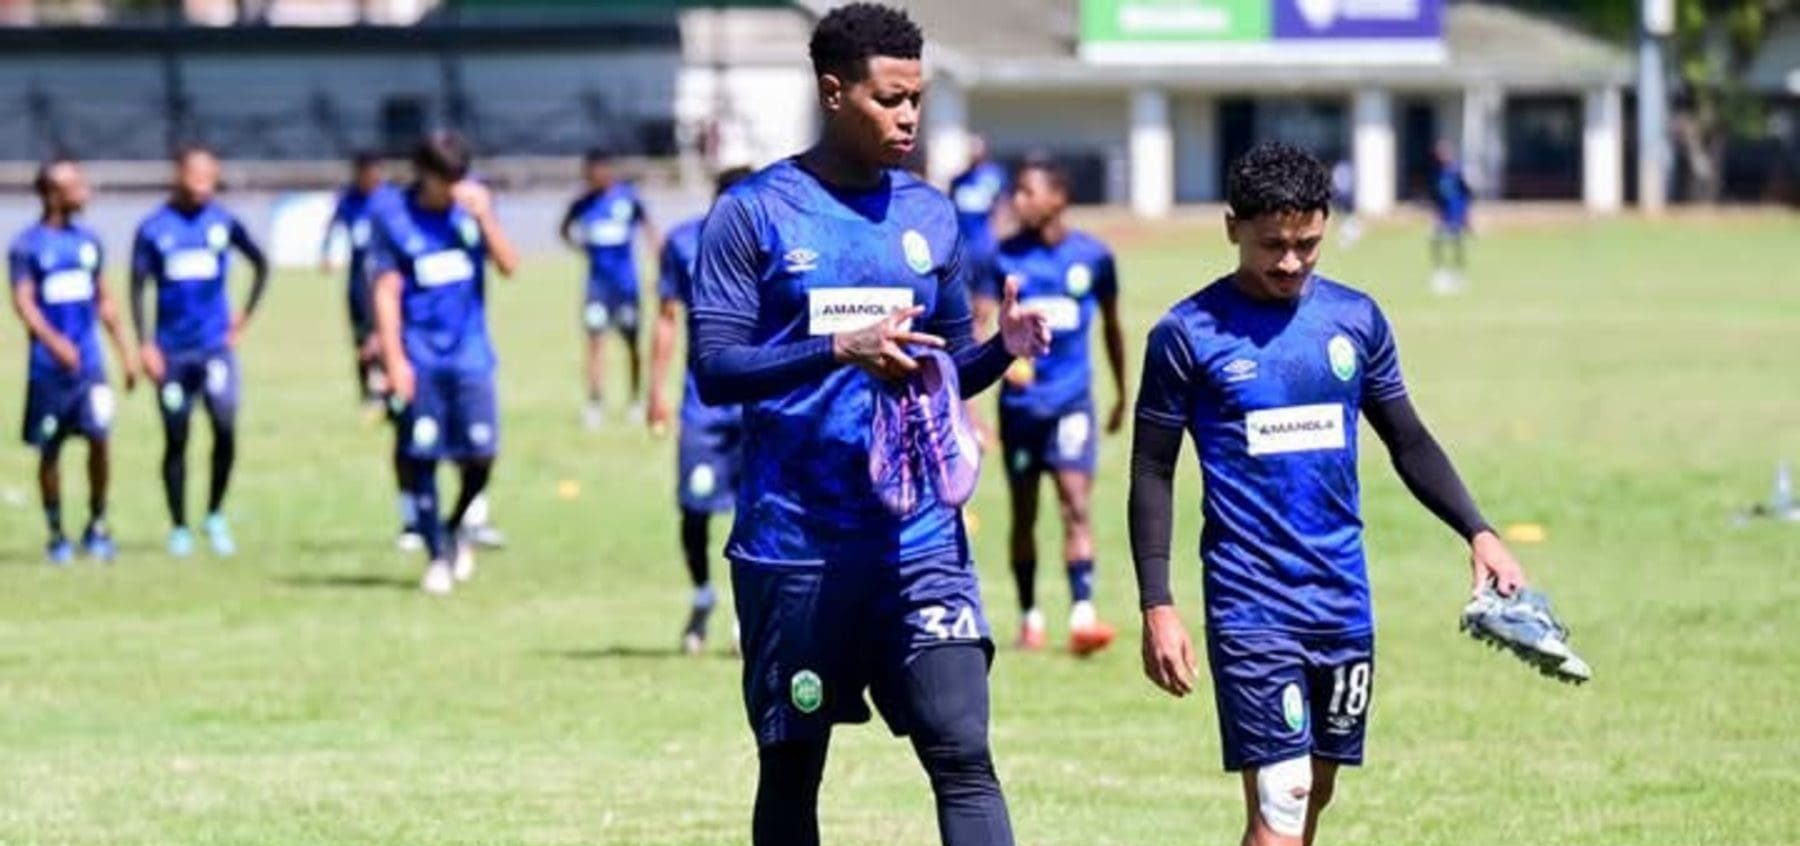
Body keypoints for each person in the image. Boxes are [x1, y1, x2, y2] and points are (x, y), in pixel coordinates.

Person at [689, 5, 1051, 844]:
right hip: (797, 547)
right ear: (833, 91)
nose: (909, 117)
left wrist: (1003, 349)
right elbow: (715, 370)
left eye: (916, 98)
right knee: (792, 766)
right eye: (890, 98)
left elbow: (948, 368)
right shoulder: (755, 213)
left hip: (920, 542)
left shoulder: (931, 217)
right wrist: (837, 349)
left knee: (962, 751)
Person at [1128, 141, 1530, 846]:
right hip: (1250, 602)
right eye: (1271, 245)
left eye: (1306, 244)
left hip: (1342, 597)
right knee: (1283, 803)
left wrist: (1478, 530)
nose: (1289, 262)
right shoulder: (1185, 336)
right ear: (1232, 229)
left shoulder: (1355, 320)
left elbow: (1407, 440)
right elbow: (1151, 472)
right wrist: (1157, 604)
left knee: (1312, 798)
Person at [973, 158, 1125, 655]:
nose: (1017, 201)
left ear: (1058, 197)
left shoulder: (1094, 257)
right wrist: (977, 396)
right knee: (1023, 515)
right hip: (1020, 407)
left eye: (1026, 191)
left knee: (1075, 503)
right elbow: (978, 325)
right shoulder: (1000, 257)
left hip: (1072, 402)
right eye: (1015, 191)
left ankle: (1083, 615)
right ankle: (1029, 616)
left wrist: (1123, 391)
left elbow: (1112, 327)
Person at [370, 131, 519, 596]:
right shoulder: (392, 215)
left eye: (459, 177)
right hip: (421, 357)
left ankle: (456, 527)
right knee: (422, 457)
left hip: (471, 354)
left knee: (481, 454)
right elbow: (386, 292)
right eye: (445, 179)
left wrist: (486, 217)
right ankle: (436, 553)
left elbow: (510, 266)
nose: (453, 186)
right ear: (424, 174)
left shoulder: (470, 207)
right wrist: (395, 361)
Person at [130, 144, 269, 558]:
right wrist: (145, 344)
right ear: (179, 175)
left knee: (225, 426)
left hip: (214, 349)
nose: (203, 187)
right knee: (177, 437)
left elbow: (261, 264)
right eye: (196, 178)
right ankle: (178, 526)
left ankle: (214, 513)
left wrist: (243, 317)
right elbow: (138, 288)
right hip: (172, 352)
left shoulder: (222, 222)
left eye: (211, 179)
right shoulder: (154, 228)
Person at [8, 158, 137, 564]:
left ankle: (97, 523)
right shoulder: (26, 246)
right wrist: (53, 341)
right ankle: (56, 532)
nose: (85, 191)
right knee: (51, 450)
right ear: (52, 193)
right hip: (48, 369)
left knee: (100, 439)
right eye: (75, 185)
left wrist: (125, 351)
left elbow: (105, 299)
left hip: (90, 365)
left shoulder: (89, 242)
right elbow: (23, 302)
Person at [649, 165, 754, 654]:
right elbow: (667, 319)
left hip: (759, 407)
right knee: (694, 510)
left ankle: (743, 614)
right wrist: (655, 390)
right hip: (703, 407)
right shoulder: (684, 243)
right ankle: (701, 595)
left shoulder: (773, 244)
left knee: (755, 516)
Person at [560, 147, 660, 429]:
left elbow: (649, 228)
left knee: (631, 343)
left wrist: (658, 259)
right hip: (597, 286)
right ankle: (594, 403)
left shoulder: (628, 199)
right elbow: (564, 229)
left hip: (626, 286)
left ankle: (636, 400)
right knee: (594, 343)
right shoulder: (582, 204)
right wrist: (579, 247)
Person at [320, 150, 395, 408]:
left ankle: (391, 387)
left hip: (386, 276)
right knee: (361, 340)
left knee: (389, 334)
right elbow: (333, 225)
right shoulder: (348, 199)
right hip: (358, 281)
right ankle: (367, 393)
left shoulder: (390, 198)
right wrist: (327, 253)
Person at [948, 134, 1008, 285]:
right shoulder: (958, 180)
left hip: (986, 244)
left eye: (977, 147)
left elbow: (1003, 206)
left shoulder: (994, 176)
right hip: (963, 245)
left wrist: (998, 233)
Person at [1429, 140, 1472, 293]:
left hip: (1456, 213)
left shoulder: (1456, 170)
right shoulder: (1436, 172)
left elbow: (1466, 192)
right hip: (1442, 214)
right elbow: (1435, 194)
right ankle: (1439, 271)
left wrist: (1465, 215)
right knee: (1436, 241)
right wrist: (1436, 211)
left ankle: (1459, 274)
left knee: (1457, 243)